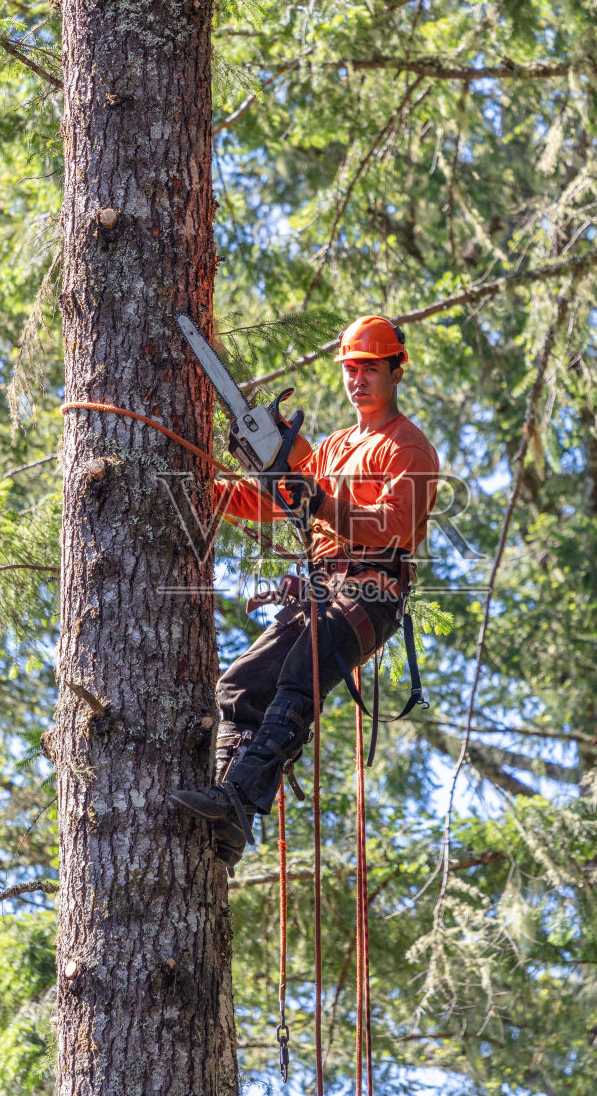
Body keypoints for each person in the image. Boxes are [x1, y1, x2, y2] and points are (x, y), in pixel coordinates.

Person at [171, 315, 440, 869]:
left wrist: (320, 501)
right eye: (351, 369)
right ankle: (228, 818)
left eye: (369, 369)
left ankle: (238, 798)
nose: (358, 379)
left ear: (396, 371)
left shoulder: (407, 447)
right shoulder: (336, 446)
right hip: (321, 589)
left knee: (298, 678)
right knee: (241, 684)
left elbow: (393, 525)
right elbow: (279, 498)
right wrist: (210, 492)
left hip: (371, 590)